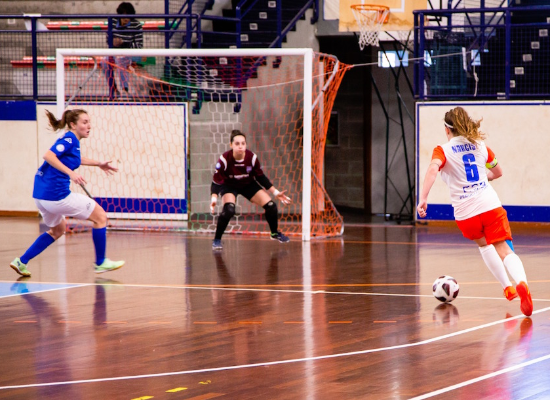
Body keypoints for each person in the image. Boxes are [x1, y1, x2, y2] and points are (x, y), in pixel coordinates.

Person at [417, 107, 533, 317]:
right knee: (504, 249)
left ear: (447, 129)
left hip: (465, 213)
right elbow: (498, 172)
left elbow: (433, 169)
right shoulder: (481, 146)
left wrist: (423, 198)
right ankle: (521, 283)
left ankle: (507, 287)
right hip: (489, 205)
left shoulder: (442, 150)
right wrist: (483, 178)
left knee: (484, 245)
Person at [10, 109, 125, 277]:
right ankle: (101, 262)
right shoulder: (69, 139)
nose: (89, 126)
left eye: (89, 122)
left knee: (57, 230)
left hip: (41, 196)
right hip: (56, 196)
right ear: (73, 125)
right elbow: (48, 156)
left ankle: (21, 262)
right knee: (100, 217)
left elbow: (76, 159)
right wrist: (71, 173)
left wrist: (99, 163)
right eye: (84, 122)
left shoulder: (72, 142)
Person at [210, 129, 292, 250]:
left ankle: (274, 233)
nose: (240, 146)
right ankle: (217, 240)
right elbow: (216, 181)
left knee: (271, 206)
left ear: (246, 145)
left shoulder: (252, 158)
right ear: (231, 145)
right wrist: (214, 198)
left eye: (243, 143)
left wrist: (275, 192)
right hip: (229, 186)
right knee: (229, 210)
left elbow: (261, 177)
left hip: (248, 184)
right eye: (237, 143)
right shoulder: (224, 159)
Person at [101, 2, 143, 100]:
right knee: (104, 62)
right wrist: (112, 42)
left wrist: (123, 43)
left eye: (129, 17)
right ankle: (113, 89)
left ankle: (125, 90)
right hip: (114, 52)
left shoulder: (136, 25)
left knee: (121, 60)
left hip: (130, 53)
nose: (126, 19)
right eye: (124, 16)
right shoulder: (112, 22)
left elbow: (139, 46)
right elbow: (108, 40)